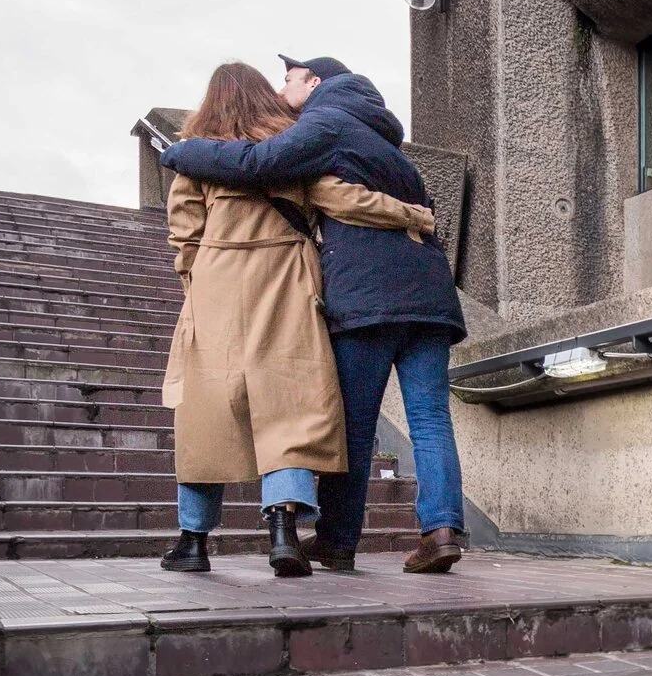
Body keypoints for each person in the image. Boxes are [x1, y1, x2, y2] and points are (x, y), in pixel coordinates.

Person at [161, 55, 471, 573]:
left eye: (291, 78)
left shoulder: (303, 134)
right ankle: (419, 531)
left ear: (315, 82)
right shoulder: (358, 148)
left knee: (218, 414)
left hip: (279, 290)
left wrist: (184, 153)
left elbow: (196, 223)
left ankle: (219, 541)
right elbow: (343, 198)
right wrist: (416, 216)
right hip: (359, 290)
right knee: (305, 412)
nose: (285, 88)